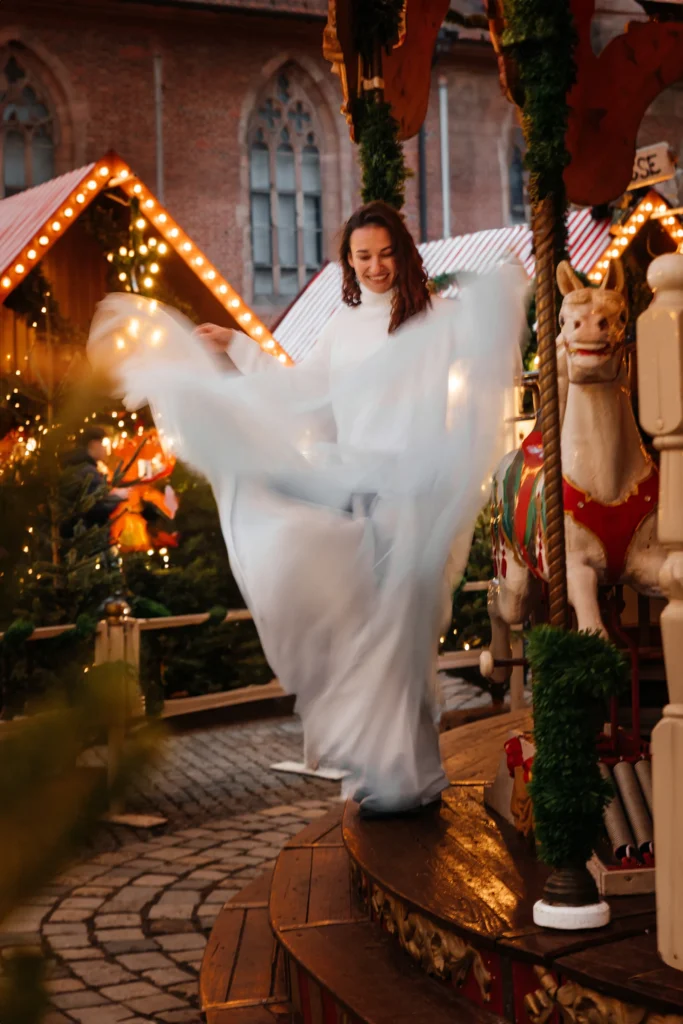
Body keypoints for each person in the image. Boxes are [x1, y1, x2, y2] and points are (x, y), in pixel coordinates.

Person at [87, 201, 524, 815]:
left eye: (384, 253)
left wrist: (498, 302)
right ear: (348, 262)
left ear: (403, 252)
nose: (375, 267)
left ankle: (410, 776)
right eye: (362, 256)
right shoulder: (343, 326)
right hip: (354, 493)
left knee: (402, 636)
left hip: (412, 496)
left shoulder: (438, 319)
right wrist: (236, 348)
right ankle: (388, 772)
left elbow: (481, 354)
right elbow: (302, 393)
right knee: (366, 632)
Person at [60, 425, 127, 537]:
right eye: (104, 444)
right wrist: (119, 496)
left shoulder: (79, 467)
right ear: (93, 444)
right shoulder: (88, 471)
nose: (106, 449)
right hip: (88, 537)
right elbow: (97, 507)